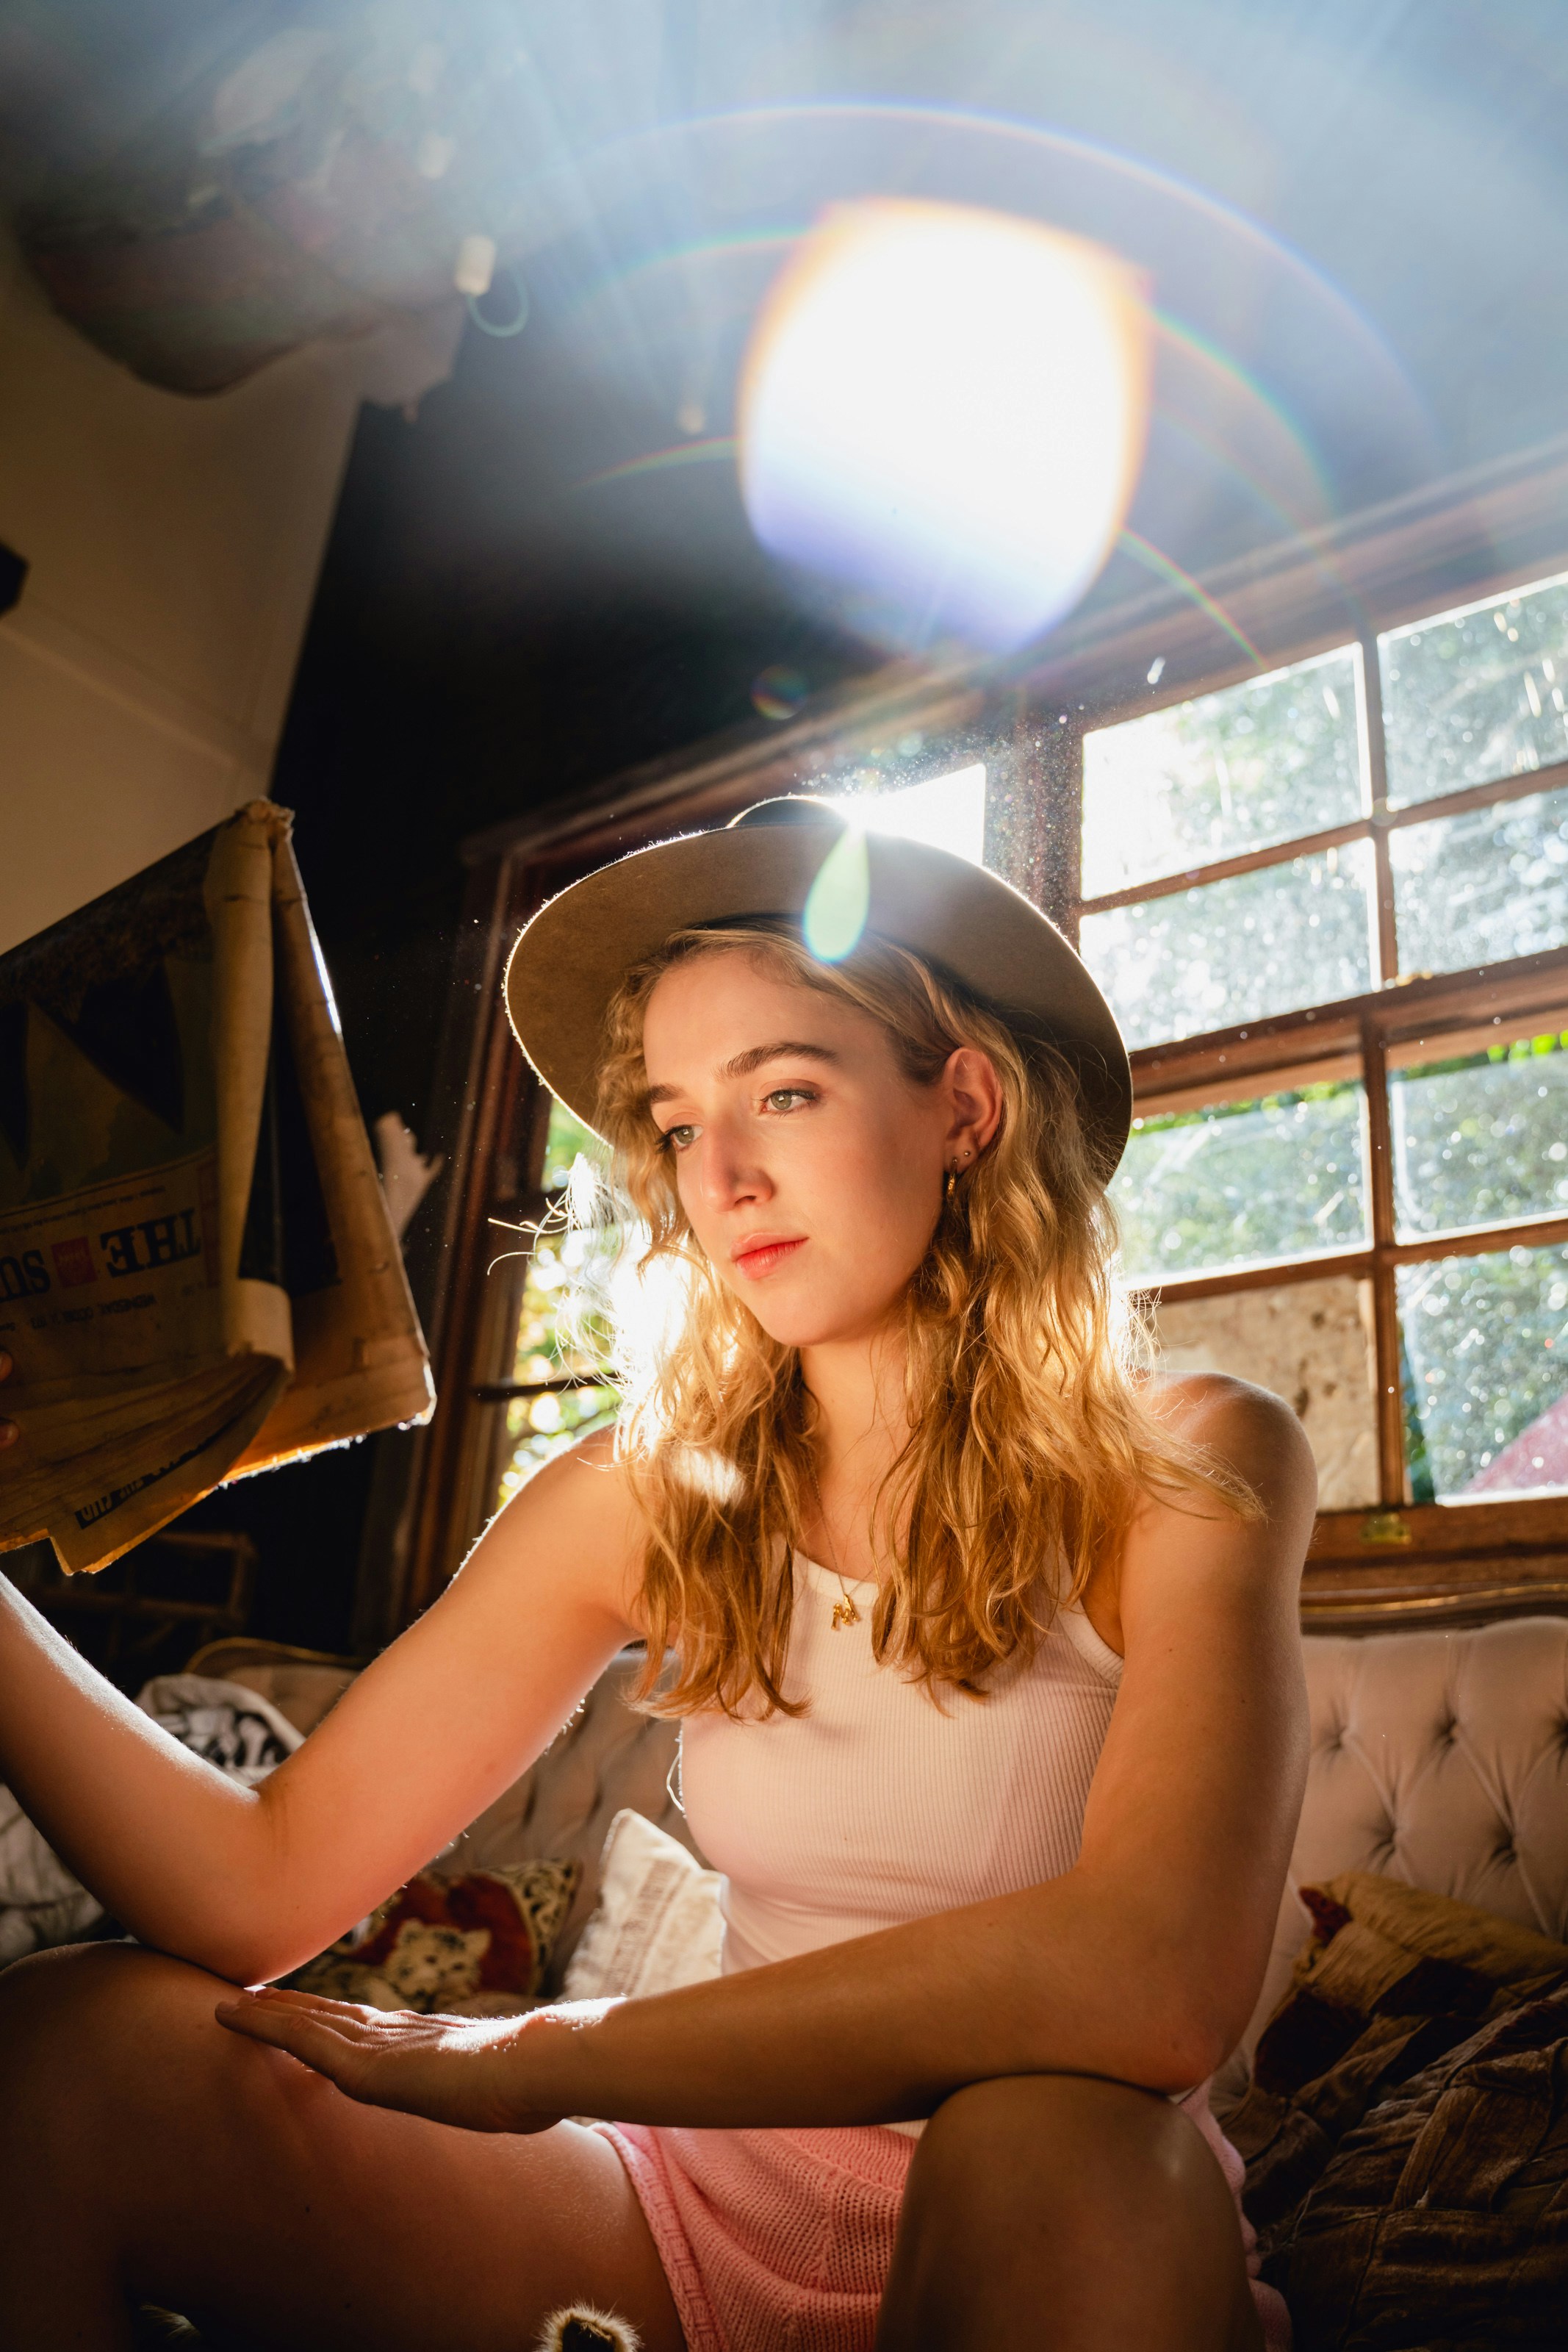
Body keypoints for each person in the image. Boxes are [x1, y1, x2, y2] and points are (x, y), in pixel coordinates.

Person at [0, 798, 1314, 2352]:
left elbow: (1152, 1983)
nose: (723, 1175)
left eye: (786, 1091)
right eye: (682, 1126)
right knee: (71, 2046)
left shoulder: (1192, 1458)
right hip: (680, 2225)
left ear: (962, 1106)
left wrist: (542, 2057)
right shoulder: (634, 1495)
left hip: (1059, 2237)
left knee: (1059, 2143)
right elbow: (253, 1889)